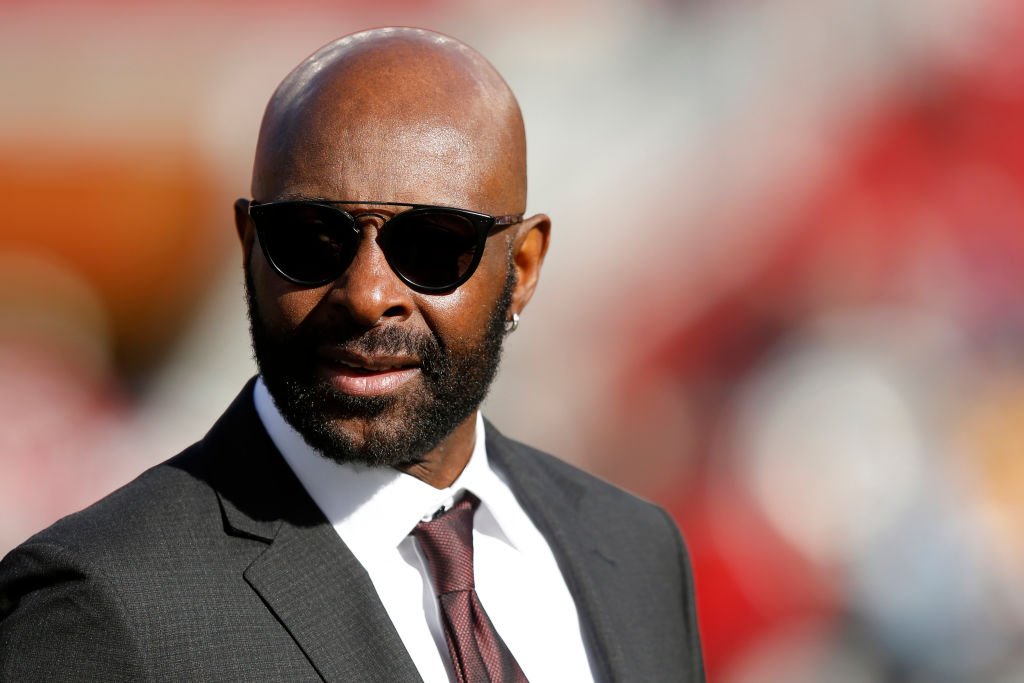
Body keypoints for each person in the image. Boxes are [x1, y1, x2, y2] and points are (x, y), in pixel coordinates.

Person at [0, 27, 703, 682]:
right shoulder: (103, 605)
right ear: (249, 247)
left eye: (433, 246)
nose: (367, 295)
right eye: (310, 239)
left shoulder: (634, 551)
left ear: (521, 267)